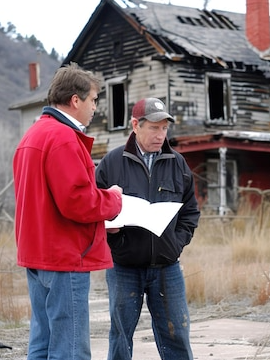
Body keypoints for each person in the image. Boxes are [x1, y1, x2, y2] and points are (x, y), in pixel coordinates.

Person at [13, 62, 123, 360]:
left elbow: (48, 201)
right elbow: (77, 201)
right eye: (94, 100)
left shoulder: (32, 135)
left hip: (37, 255)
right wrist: (113, 200)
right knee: (71, 348)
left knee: (43, 343)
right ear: (76, 100)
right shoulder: (63, 137)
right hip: (64, 258)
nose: (95, 108)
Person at [95, 97, 200, 360]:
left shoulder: (178, 164)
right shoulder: (111, 163)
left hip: (167, 267)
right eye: (154, 127)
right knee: (120, 335)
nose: (160, 134)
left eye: (164, 128)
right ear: (135, 125)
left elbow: (190, 212)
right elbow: (94, 206)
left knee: (177, 335)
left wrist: (176, 244)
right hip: (123, 266)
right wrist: (112, 235)